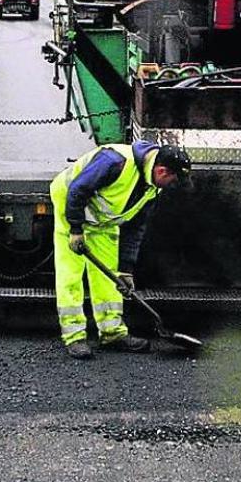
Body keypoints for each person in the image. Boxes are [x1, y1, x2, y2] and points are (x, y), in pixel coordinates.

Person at [49, 140, 191, 359]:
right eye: (173, 181)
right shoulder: (114, 161)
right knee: (71, 275)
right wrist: (76, 230)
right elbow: (77, 190)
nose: (173, 186)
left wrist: (126, 270)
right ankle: (74, 336)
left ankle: (112, 333)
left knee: (109, 276)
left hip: (103, 221)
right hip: (71, 208)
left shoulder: (153, 186)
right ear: (162, 171)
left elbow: (136, 228)